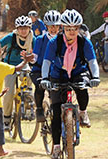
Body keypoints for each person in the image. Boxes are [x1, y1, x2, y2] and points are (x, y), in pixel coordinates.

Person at [40, 9, 100, 158]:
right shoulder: (55, 42)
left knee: (82, 90)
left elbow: (92, 62)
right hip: (58, 75)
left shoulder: (84, 42)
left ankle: (82, 113)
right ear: (63, 28)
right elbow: (46, 62)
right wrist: (45, 79)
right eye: (68, 29)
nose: (71, 32)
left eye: (75, 28)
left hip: (78, 72)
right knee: (55, 111)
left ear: (79, 28)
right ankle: (56, 146)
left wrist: (96, 77)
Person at [30, 10, 61, 122]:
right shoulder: (40, 39)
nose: (53, 29)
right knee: (40, 86)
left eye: (55, 26)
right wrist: (30, 58)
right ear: (46, 26)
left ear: (59, 26)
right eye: (50, 26)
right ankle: (39, 109)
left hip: (56, 71)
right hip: (39, 70)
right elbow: (35, 57)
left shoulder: (63, 40)